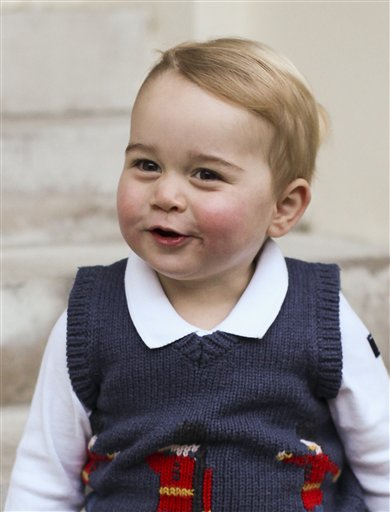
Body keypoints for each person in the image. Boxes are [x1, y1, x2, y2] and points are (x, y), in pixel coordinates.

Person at [5, 38, 389, 512]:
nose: (166, 193)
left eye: (205, 174)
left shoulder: (320, 315)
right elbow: (44, 479)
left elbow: (382, 462)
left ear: (284, 207)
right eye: (147, 164)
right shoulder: (92, 317)